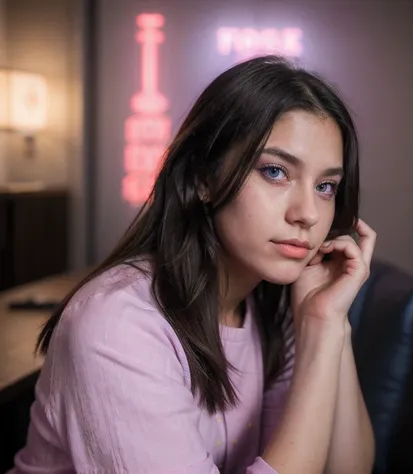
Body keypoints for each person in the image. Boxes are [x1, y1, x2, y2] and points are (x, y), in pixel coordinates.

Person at [10, 55, 376, 474]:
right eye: (275, 172)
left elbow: (349, 468)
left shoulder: (278, 307)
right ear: (204, 178)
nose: (307, 213)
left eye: (326, 186)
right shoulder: (118, 324)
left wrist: (329, 322)